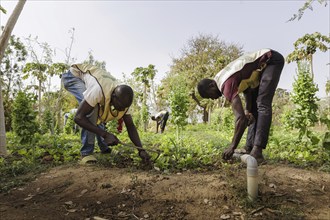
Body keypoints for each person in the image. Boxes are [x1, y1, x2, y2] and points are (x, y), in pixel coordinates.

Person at [197, 49, 284, 163]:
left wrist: (232, 146)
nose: (213, 99)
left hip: (271, 60)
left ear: (211, 85)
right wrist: (248, 111)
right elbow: (247, 90)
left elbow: (240, 119)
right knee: (253, 110)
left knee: (262, 104)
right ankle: (249, 148)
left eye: (210, 95)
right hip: (260, 67)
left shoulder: (225, 85)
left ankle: (257, 151)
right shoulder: (221, 79)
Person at [61, 63, 151, 167]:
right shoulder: (98, 90)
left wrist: (140, 149)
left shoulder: (123, 101)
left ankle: (104, 148)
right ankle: (86, 153)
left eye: (124, 108)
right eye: (120, 106)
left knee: (98, 111)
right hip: (73, 76)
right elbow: (79, 118)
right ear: (113, 96)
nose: (121, 110)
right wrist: (105, 134)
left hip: (91, 79)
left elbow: (130, 126)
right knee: (92, 109)